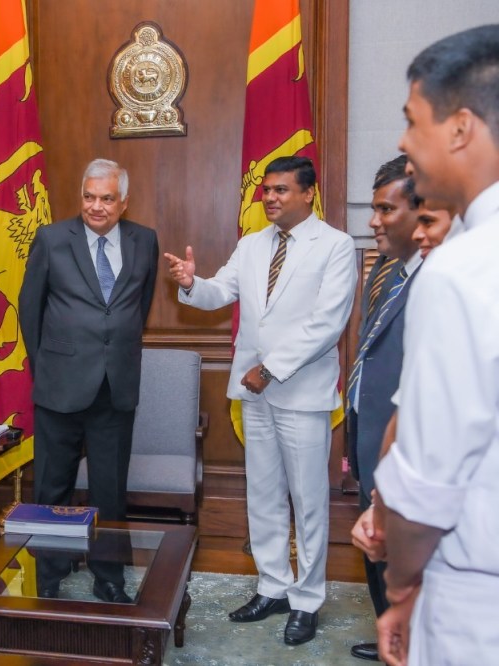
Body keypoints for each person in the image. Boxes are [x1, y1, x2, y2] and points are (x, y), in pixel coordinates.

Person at [165, 156, 356, 646]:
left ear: (308, 193)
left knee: (308, 501)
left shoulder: (335, 246)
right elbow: (218, 293)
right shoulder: (251, 245)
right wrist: (191, 283)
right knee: (265, 495)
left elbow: (327, 324)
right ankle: (273, 586)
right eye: (266, 190)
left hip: (300, 391)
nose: (270, 197)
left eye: (281, 190)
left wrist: (270, 368)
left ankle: (307, 599)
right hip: (256, 394)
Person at [372, 25, 499, 666]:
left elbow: (427, 485)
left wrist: (403, 583)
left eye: (412, 120)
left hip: (477, 604)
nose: (402, 141)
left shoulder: (464, 269)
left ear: (460, 129)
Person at [18, 158, 158, 602]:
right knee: (51, 486)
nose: (96, 206)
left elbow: (140, 305)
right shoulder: (52, 239)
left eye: (107, 198)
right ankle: (49, 574)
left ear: (124, 202)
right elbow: (30, 309)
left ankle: (109, 576)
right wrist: (47, 368)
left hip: (115, 388)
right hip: (60, 384)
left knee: (110, 489)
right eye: (89, 196)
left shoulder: (145, 241)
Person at [345, 156, 423, 663]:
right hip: (371, 435)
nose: (373, 221)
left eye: (385, 209)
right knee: (379, 556)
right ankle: (389, 634)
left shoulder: (439, 280)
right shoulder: (389, 270)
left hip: (406, 451)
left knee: (405, 563)